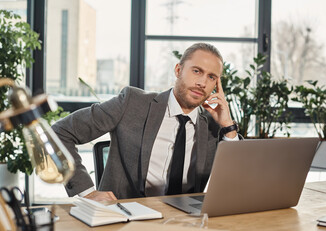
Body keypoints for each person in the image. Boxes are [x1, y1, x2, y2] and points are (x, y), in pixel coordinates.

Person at [52, 43, 239, 202]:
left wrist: (229, 128)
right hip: (126, 217)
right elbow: (59, 133)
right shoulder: (132, 104)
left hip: (186, 223)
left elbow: (240, 182)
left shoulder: (213, 126)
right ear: (178, 70)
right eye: (197, 71)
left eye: (211, 77)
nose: (202, 82)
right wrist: (87, 192)